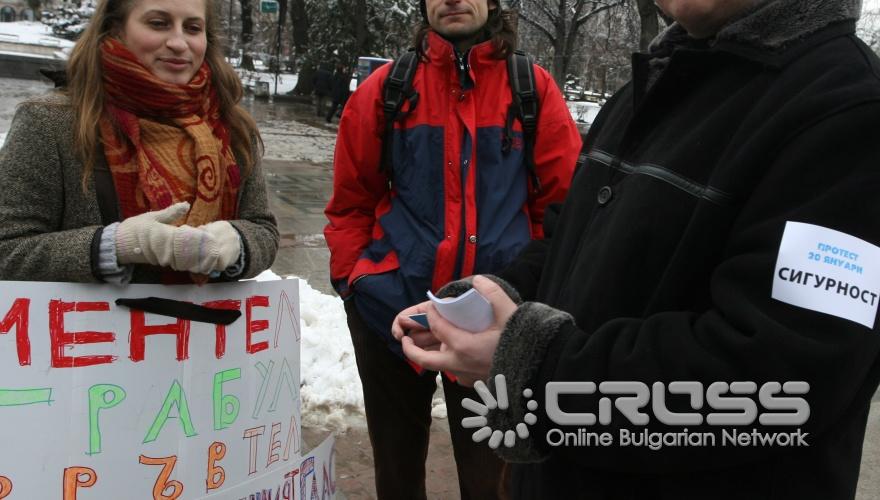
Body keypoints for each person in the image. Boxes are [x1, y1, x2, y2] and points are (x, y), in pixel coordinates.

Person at [392, 0, 880, 498]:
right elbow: (571, 243)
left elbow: (778, 381)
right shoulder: (651, 88)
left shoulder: (848, 108)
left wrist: (534, 367)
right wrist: (492, 295)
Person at [324, 0, 581, 497]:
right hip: (391, 312)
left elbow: (562, 210)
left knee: (493, 482)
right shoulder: (389, 89)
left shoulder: (532, 89)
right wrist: (355, 282)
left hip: (493, 323)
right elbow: (351, 202)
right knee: (396, 475)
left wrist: (525, 293)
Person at [0, 0, 278, 284]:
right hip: (96, 327)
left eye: (193, 28)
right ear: (116, 28)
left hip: (205, 326)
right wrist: (115, 245)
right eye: (158, 23)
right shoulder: (49, 122)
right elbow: (7, 249)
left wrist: (237, 243)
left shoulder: (232, 126)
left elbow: (263, 229)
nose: (179, 43)